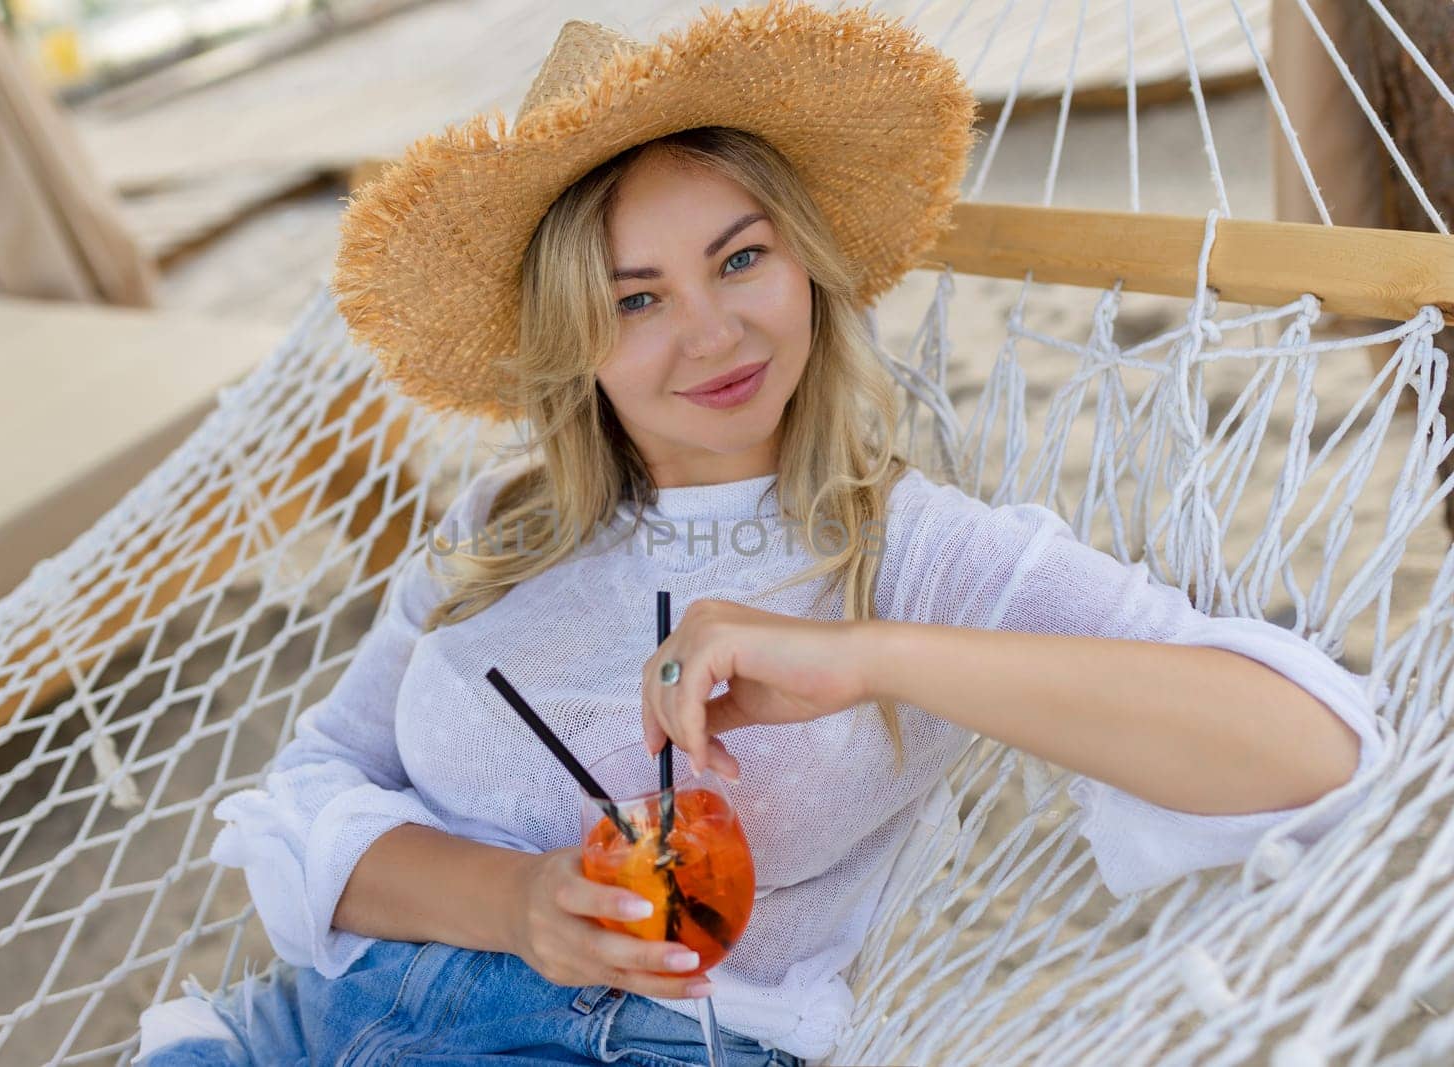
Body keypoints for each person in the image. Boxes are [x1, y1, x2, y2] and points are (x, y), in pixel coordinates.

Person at [133, 2, 1389, 1064]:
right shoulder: (498, 526)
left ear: (805, 265)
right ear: (571, 336)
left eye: (739, 260)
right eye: (636, 298)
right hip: (296, 1024)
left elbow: (1313, 751)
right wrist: (518, 901)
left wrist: (870, 656)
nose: (715, 334)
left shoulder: (911, 552)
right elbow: (306, 794)